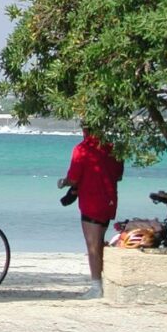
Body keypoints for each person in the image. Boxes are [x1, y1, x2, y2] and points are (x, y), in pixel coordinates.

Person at [58, 127, 124, 299]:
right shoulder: (112, 147)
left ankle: (96, 286)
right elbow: (118, 175)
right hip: (109, 201)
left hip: (91, 201)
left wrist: (63, 183)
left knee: (93, 245)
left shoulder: (82, 149)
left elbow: (73, 178)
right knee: (100, 241)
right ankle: (102, 281)